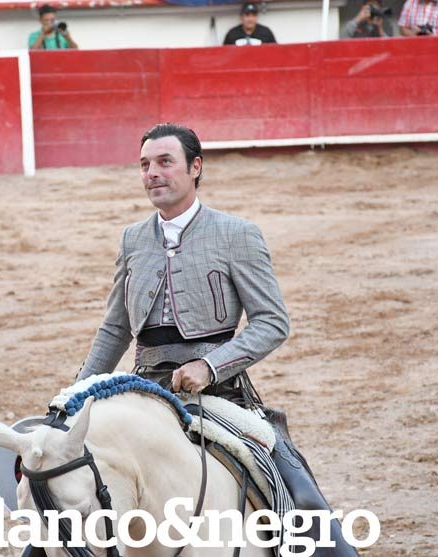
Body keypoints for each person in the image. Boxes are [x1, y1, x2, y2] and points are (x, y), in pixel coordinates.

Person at [77, 122, 359, 557]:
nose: (153, 173)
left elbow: (272, 322)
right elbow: (116, 329)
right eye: (145, 165)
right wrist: (75, 395)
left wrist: (210, 367)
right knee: (68, 476)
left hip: (219, 396)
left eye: (165, 162)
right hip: (144, 390)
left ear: (195, 167)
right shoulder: (133, 239)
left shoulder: (236, 234)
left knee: (286, 473)